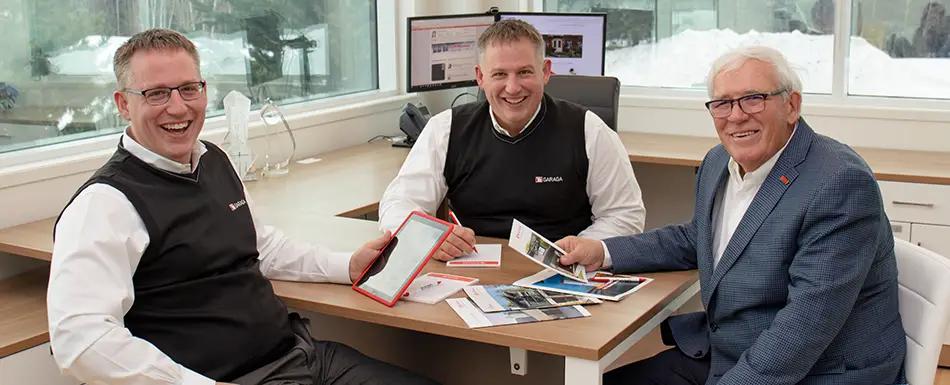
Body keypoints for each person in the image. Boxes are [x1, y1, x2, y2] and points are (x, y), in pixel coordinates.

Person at [47, 28, 439, 385]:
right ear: (123, 104)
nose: (178, 107)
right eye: (156, 93)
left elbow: (263, 248)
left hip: (299, 358)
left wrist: (345, 266)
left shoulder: (212, 160)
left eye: (188, 89)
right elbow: (79, 340)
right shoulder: (105, 204)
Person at [556, 45, 906, 385]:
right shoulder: (718, 163)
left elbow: (802, 330)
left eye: (754, 98)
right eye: (722, 104)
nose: (736, 116)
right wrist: (602, 252)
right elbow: (698, 239)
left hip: (815, 371)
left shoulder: (839, 183)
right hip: (731, 353)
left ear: (792, 105)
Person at [378, 19, 645, 261]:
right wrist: (429, 237)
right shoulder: (446, 129)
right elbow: (398, 204)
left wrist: (585, 246)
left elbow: (625, 214)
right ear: (480, 77)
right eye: (499, 74)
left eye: (525, 72)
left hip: (562, 269)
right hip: (470, 272)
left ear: (546, 72)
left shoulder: (588, 130)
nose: (513, 87)